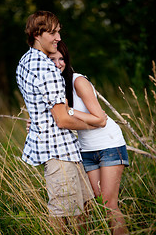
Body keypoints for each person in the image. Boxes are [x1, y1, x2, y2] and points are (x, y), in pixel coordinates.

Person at [16, 10, 107, 232]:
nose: (58, 37)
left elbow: (40, 110)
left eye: (59, 32)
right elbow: (63, 119)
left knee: (82, 211)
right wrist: (95, 123)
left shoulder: (25, 61)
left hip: (64, 150)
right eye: (53, 32)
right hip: (60, 154)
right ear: (37, 34)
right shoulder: (46, 67)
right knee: (63, 214)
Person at [47, 40, 130, 234]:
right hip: (87, 150)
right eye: (52, 59)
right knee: (96, 202)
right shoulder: (54, 86)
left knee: (110, 205)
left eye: (62, 59)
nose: (58, 63)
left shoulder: (78, 81)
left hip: (109, 145)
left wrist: (69, 111)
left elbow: (100, 119)